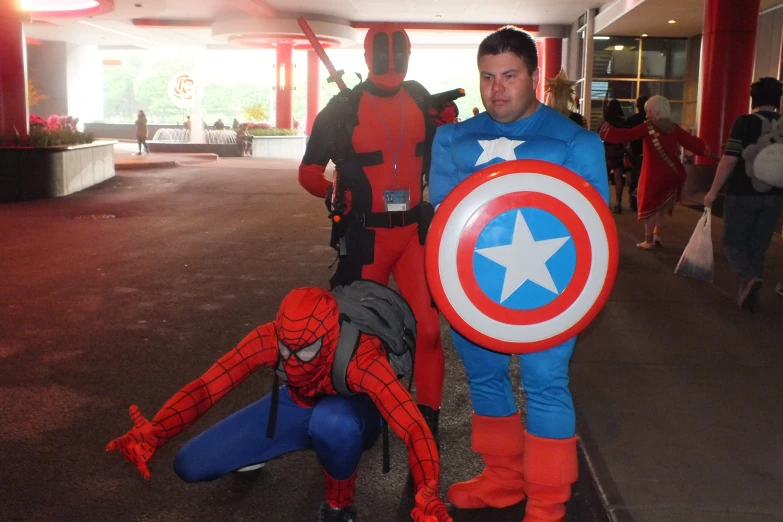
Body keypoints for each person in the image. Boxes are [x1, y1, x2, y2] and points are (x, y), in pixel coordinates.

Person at [428, 26, 609, 522]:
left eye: (510, 75)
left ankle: (549, 497)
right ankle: (503, 479)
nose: (496, 89)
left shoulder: (576, 143)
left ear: (535, 76)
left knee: (545, 382)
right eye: (487, 77)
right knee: (485, 378)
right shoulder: (452, 139)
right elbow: (443, 226)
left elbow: (595, 237)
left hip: (550, 290)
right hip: (476, 290)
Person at [107, 286, 451, 522]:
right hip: (295, 405)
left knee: (332, 423)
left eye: (305, 351)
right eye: (286, 350)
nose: (293, 361)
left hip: (352, 415)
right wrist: (158, 431)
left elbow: (413, 427)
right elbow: (207, 387)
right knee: (190, 465)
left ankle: (339, 505)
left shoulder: (362, 358)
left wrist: (428, 492)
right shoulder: (272, 337)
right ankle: (262, 449)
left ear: (329, 337)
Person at [298, 23, 458, 444]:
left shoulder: (422, 102)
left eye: (398, 53)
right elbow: (308, 172)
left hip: (412, 235)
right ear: (368, 56)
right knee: (361, 334)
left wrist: (450, 126)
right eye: (383, 53)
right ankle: (360, 415)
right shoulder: (342, 109)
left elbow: (450, 155)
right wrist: (334, 192)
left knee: (426, 330)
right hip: (366, 237)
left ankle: (427, 420)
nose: (391, 60)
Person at [704, 77, 783, 311]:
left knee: (732, 242)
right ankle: (749, 297)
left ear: (754, 98)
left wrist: (712, 191)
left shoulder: (745, 122)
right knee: (757, 247)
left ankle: (749, 279)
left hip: (743, 194)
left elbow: (729, 160)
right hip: (775, 195)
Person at [600, 95, 710, 249]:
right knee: (662, 208)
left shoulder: (648, 127)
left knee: (649, 208)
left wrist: (606, 130)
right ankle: (657, 236)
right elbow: (694, 144)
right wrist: (705, 149)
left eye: (648, 110)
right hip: (671, 174)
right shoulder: (673, 127)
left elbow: (627, 135)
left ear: (654, 110)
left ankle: (648, 240)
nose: (647, 113)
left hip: (652, 174)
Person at [602, 99, 630, 213]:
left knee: (605, 178)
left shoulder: (606, 122)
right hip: (619, 150)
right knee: (618, 177)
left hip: (607, 150)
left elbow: (601, 135)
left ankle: (605, 202)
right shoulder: (623, 122)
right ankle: (618, 202)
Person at [624, 96, 649, 212]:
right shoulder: (651, 121)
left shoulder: (632, 120)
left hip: (635, 153)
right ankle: (646, 202)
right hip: (649, 153)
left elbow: (627, 137)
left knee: (635, 177)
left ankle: (634, 202)